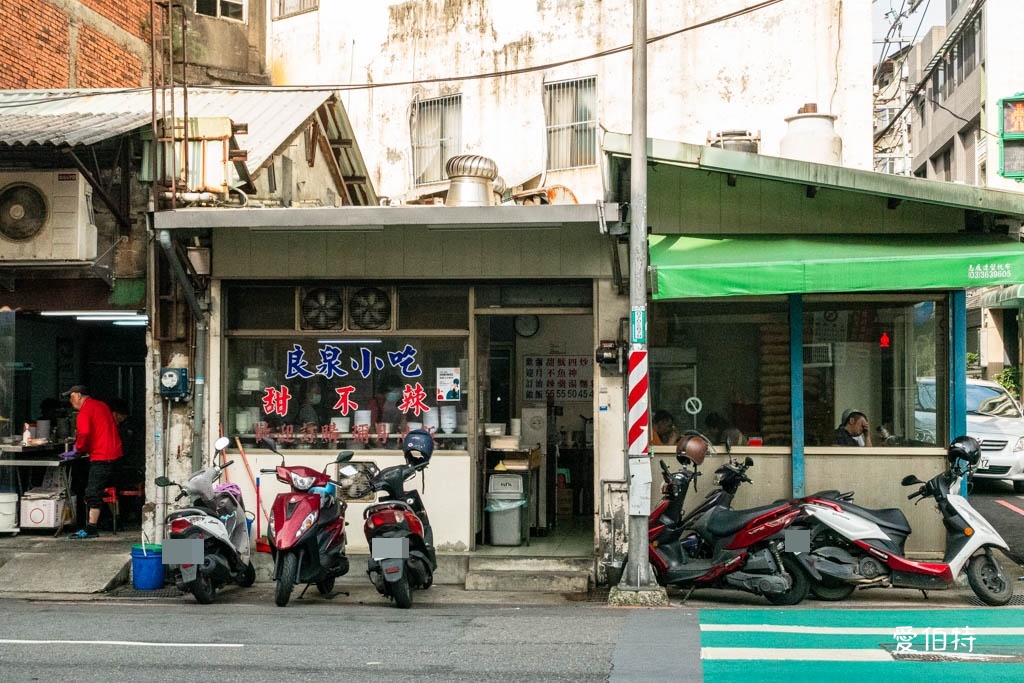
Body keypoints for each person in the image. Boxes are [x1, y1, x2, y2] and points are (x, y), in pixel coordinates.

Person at [62, 384, 122, 539]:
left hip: (102, 455)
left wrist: (78, 449)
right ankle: (108, 521)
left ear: (78, 395)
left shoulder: (85, 411)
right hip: (113, 454)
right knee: (98, 489)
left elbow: (84, 433)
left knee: (92, 492)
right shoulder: (101, 406)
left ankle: (91, 528)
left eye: (71, 396)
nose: (70, 401)